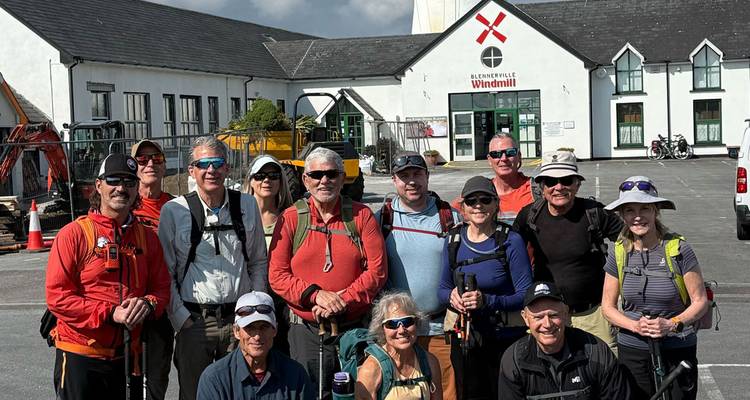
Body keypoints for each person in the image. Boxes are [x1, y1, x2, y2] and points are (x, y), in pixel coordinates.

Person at [46, 153, 171, 400]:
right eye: (113, 180)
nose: (121, 188)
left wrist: (147, 304)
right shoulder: (74, 234)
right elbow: (57, 297)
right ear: (99, 185)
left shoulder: (147, 238)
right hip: (81, 354)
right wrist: (110, 313)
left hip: (128, 356)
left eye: (129, 181)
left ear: (137, 188)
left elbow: (162, 289)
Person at [268, 147, 387, 399]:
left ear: (343, 178)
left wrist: (342, 299)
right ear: (305, 179)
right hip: (307, 331)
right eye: (317, 174)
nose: (324, 180)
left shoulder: (361, 215)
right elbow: (277, 275)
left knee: (359, 392)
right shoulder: (291, 218)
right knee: (309, 393)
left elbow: (377, 271)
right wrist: (316, 296)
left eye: (332, 174)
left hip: (354, 327)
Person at [159, 137, 268, 400]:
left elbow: (258, 262)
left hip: (238, 319)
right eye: (203, 164)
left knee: (240, 391)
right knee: (194, 393)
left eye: (217, 163)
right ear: (191, 170)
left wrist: (254, 311)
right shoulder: (174, 211)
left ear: (227, 168)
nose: (211, 170)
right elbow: (166, 271)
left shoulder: (246, 205)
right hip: (195, 321)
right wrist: (181, 318)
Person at [601, 176, 709, 400]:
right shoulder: (619, 252)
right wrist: (634, 326)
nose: (637, 216)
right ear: (622, 215)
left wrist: (671, 324)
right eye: (630, 210)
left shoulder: (678, 249)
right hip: (633, 347)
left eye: (645, 209)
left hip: (677, 345)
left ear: (656, 211)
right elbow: (608, 307)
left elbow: (700, 302)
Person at [513, 150, 623, 349]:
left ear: (577, 183)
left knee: (606, 371)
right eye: (550, 182)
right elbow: (509, 254)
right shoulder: (529, 216)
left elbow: (632, 244)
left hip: (593, 315)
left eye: (566, 180)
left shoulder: (595, 213)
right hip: (547, 318)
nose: (559, 187)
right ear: (541, 186)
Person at [438, 176, 533, 400]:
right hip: (466, 340)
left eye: (485, 199)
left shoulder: (511, 240)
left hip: (505, 338)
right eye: (471, 201)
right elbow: (441, 288)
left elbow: (525, 294)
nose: (478, 205)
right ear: (463, 208)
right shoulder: (453, 240)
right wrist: (452, 297)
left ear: (496, 204)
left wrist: (487, 301)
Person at [375, 151, 460, 399]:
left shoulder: (449, 217)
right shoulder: (383, 219)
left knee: (445, 393)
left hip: (440, 328)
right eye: (404, 176)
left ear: (427, 176)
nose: (411, 181)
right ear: (394, 180)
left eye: (417, 174)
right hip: (397, 331)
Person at [498, 281, 631, 400]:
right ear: (525, 318)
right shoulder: (514, 360)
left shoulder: (596, 352)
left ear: (566, 313)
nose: (547, 324)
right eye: (538, 317)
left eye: (553, 315)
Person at [196, 291, 314, 400]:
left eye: (264, 327)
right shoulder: (214, 378)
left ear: (275, 330)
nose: (257, 336)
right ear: (236, 331)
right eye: (250, 328)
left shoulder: (296, 374)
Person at [131, 139, 175, 400]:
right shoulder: (124, 204)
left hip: (160, 308)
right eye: (142, 160)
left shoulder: (176, 207)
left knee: (156, 379)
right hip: (127, 305)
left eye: (156, 159)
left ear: (164, 165)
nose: (150, 164)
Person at [243, 154, 294, 355]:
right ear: (250, 180)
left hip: (282, 304)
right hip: (248, 301)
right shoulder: (238, 217)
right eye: (260, 175)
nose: (267, 180)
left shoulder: (290, 217)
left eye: (273, 175)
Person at [355, 292, 443, 400]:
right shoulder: (372, 368)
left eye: (407, 321)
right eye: (392, 324)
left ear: (416, 323)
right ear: (382, 329)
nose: (401, 330)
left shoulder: (430, 362)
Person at [451, 133, 537, 224]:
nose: (504, 158)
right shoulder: (478, 192)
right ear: (489, 160)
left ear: (519, 156)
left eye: (510, 152)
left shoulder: (537, 191)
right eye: (496, 154)